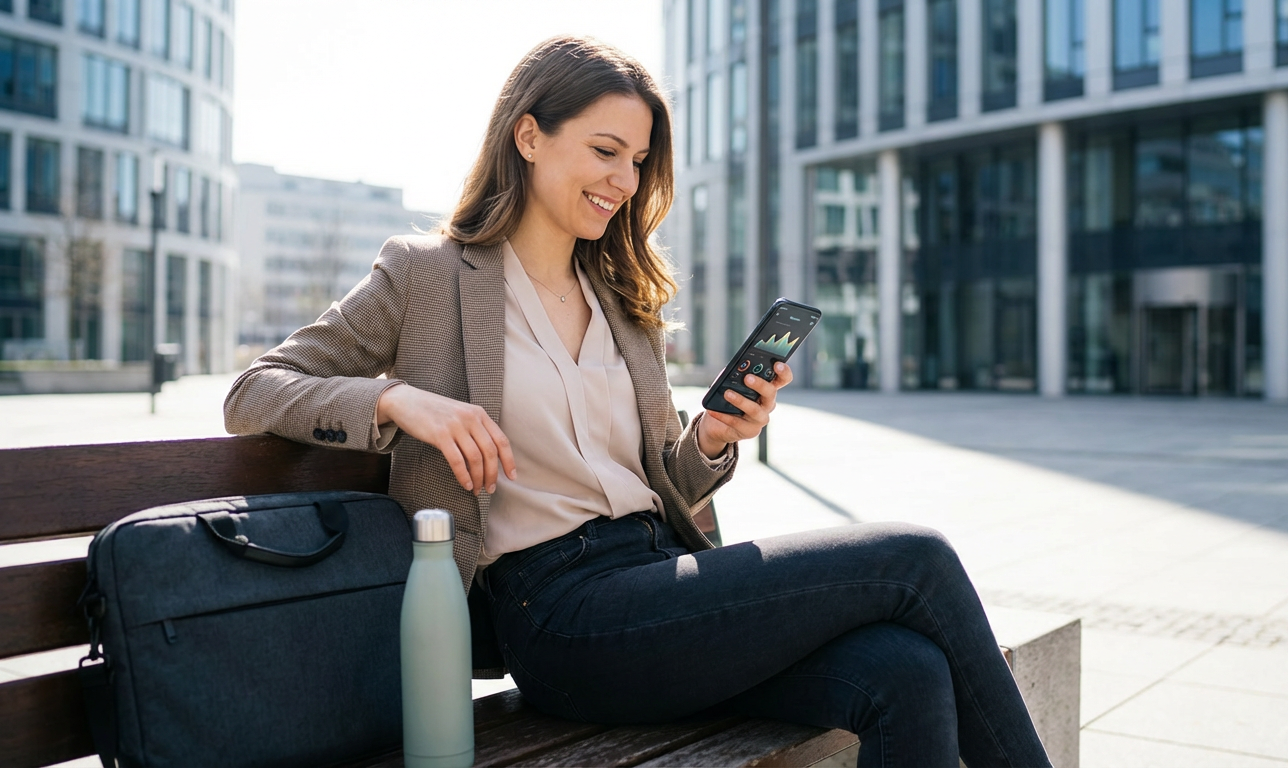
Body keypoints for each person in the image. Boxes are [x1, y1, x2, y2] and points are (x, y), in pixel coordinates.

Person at [224, 35, 1050, 768]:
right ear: (528, 135)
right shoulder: (426, 275)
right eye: (605, 151)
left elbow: (665, 480)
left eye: (638, 161)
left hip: (661, 581)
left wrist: (717, 439)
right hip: (557, 615)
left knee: (904, 671)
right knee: (916, 557)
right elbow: (253, 392)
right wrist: (400, 401)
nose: (625, 180)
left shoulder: (623, 297)